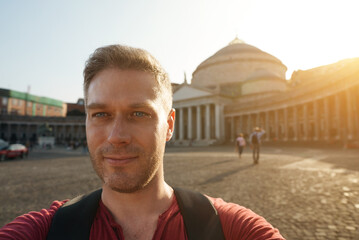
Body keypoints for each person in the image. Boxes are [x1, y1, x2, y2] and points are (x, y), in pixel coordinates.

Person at [0, 45, 284, 240]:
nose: (116, 135)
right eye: (101, 114)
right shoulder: (45, 229)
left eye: (139, 113)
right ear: (86, 122)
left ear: (169, 125)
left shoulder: (230, 227)